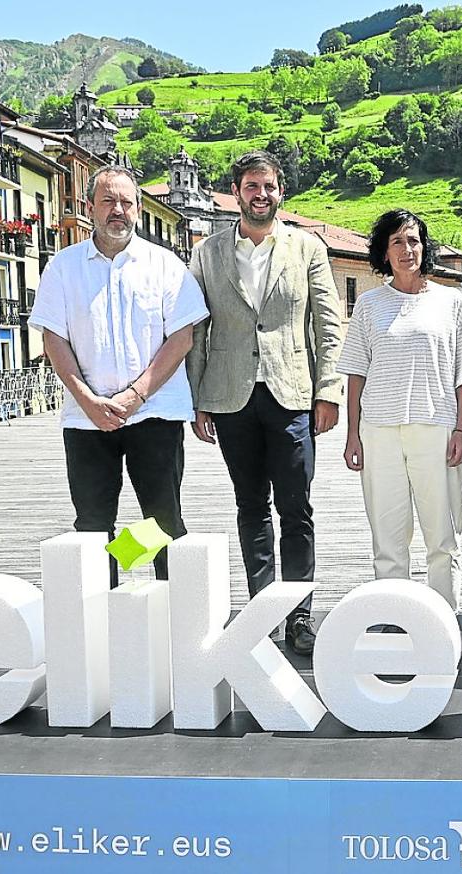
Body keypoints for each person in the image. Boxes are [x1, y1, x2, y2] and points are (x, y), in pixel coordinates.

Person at [186, 150, 344, 656]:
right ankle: (262, 613)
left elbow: (328, 324)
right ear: (237, 193)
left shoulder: (308, 248)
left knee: (295, 507)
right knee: (250, 506)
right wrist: (197, 399)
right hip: (230, 396)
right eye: (251, 186)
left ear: (281, 192)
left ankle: (300, 616)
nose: (261, 195)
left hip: (292, 393)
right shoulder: (207, 253)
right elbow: (196, 329)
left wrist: (328, 390)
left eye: (269, 186)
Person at [30, 165, 209, 585]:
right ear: (89, 206)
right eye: (108, 201)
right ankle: (101, 619)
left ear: (139, 210)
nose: (118, 210)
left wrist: (134, 397)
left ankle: (171, 615)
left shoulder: (166, 266)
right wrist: (89, 401)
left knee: (163, 520)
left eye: (127, 202)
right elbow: (54, 341)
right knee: (91, 525)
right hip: (85, 418)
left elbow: (181, 339)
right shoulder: (63, 267)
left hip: (154, 414)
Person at [337, 209, 462, 609]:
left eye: (413, 240)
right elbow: (356, 374)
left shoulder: (450, 302)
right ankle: (397, 619)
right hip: (379, 432)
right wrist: (352, 434)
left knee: (442, 538)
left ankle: (443, 620)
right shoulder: (369, 305)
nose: (407, 249)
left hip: (438, 429)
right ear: (384, 250)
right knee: (388, 538)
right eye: (397, 241)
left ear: (424, 247)